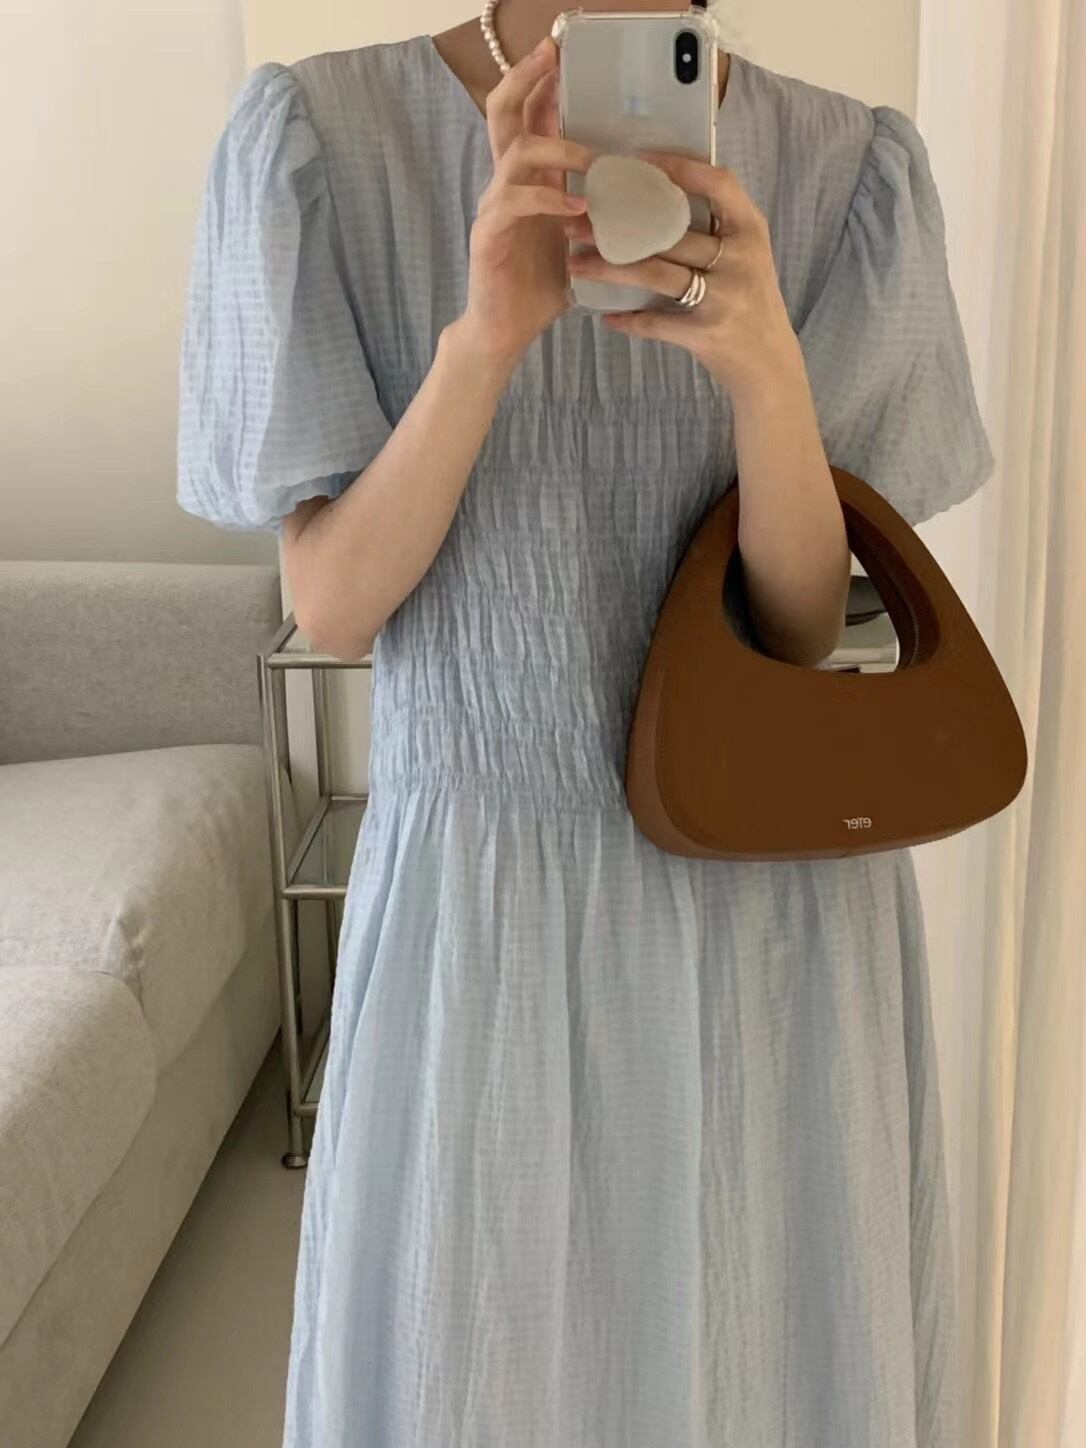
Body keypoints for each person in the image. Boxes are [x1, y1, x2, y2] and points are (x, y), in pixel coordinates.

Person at [176, 3, 994, 1444]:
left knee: (756, 1370)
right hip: (482, 912)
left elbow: (798, 631)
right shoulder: (323, 140)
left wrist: (764, 370)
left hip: (770, 915)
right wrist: (486, 338)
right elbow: (336, 607)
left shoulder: (843, 166)